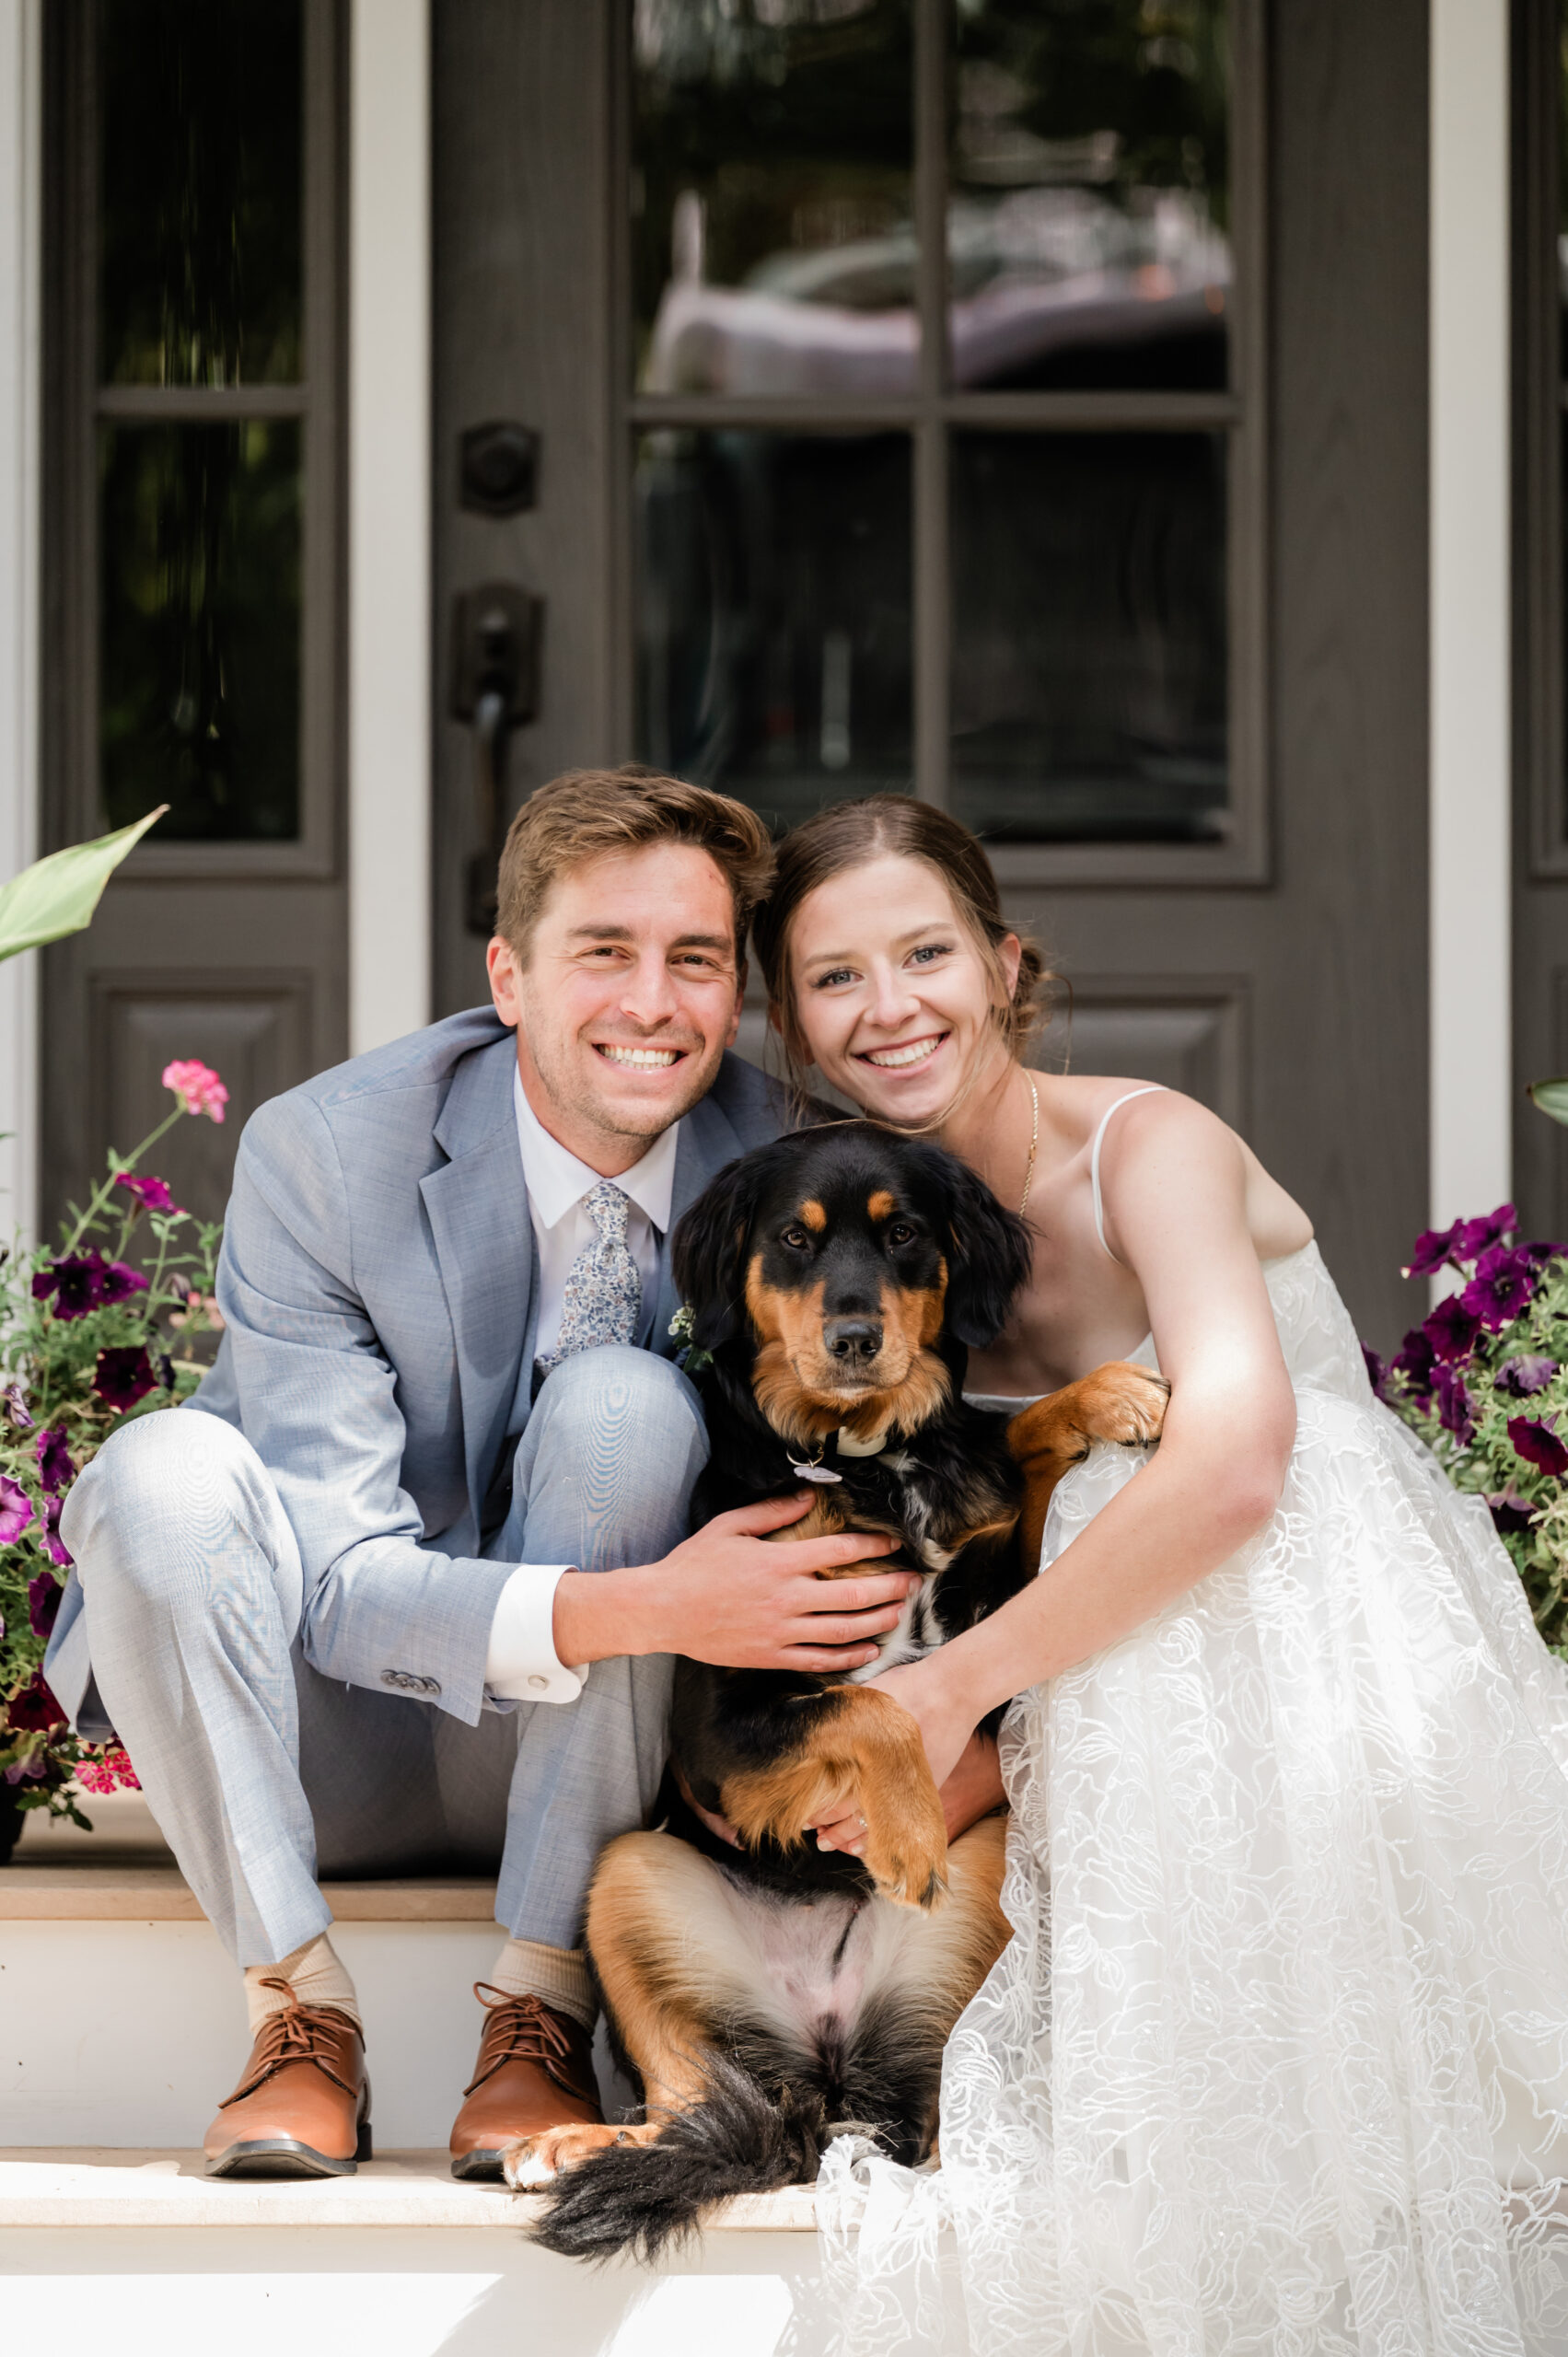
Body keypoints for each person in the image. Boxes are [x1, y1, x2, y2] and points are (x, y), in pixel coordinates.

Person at [750, 795, 1568, 2357]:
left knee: (1142, 1464)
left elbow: (1243, 1462)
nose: (890, 1007)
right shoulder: (856, 1235)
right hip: (1077, 1708)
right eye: (836, 978)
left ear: (1002, 966)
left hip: (1311, 1654)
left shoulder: (1149, 1146)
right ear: (790, 1018)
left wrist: (945, 1696)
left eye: (925, 953)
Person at [45, 767, 923, 2184]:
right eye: (604, 953)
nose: (654, 1002)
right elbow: (330, 1586)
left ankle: (538, 2009)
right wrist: (650, 1608)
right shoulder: (329, 1152)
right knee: (160, 1474)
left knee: (626, 1406)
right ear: (508, 975)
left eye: (695, 960)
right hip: (323, 1731)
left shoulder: (788, 1166)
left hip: (609, 1762)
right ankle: (297, 2018)